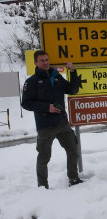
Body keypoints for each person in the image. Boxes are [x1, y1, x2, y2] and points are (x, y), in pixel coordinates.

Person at [22, 50, 83, 189]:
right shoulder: (31, 81)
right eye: (42, 60)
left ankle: (73, 178)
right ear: (36, 63)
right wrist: (46, 107)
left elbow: (73, 90)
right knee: (44, 157)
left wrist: (72, 71)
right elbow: (26, 103)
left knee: (73, 150)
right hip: (45, 125)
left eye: (47, 59)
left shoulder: (57, 77)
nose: (45, 62)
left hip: (62, 122)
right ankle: (43, 186)